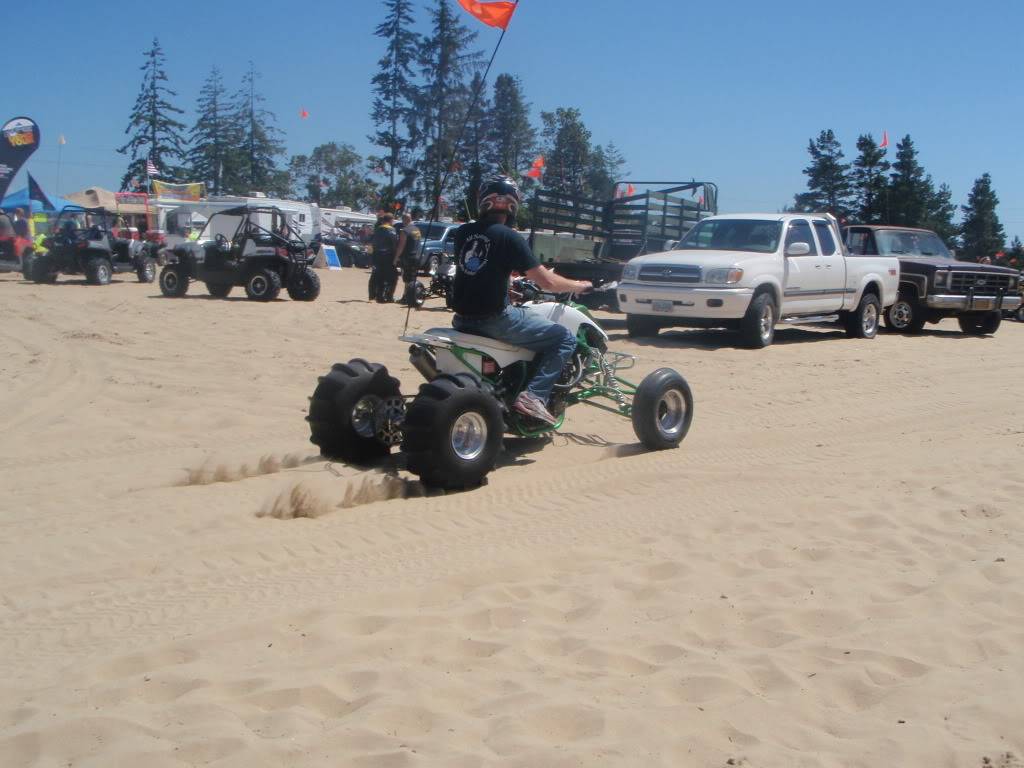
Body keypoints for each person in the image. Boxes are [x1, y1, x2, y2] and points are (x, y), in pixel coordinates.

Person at [450, 176, 592, 425]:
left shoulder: (463, 233)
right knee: (563, 338)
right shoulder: (510, 237)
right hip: (494, 319)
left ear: (483, 201)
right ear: (513, 204)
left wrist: (507, 289)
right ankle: (533, 396)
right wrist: (578, 286)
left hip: (461, 320)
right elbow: (546, 282)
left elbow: (479, 269)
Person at [369, 213, 399, 302]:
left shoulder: (378, 229)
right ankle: (388, 296)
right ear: (391, 220)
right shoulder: (391, 230)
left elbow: (373, 243)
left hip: (377, 256)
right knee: (393, 277)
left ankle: (377, 295)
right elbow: (394, 244)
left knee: (378, 276)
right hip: (388, 256)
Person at [396, 213, 423, 306]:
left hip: (408, 257)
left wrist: (396, 257)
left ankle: (406, 298)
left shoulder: (405, 230)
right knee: (413, 278)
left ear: (404, 220)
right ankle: (411, 296)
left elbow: (401, 246)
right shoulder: (417, 229)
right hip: (417, 256)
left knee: (407, 279)